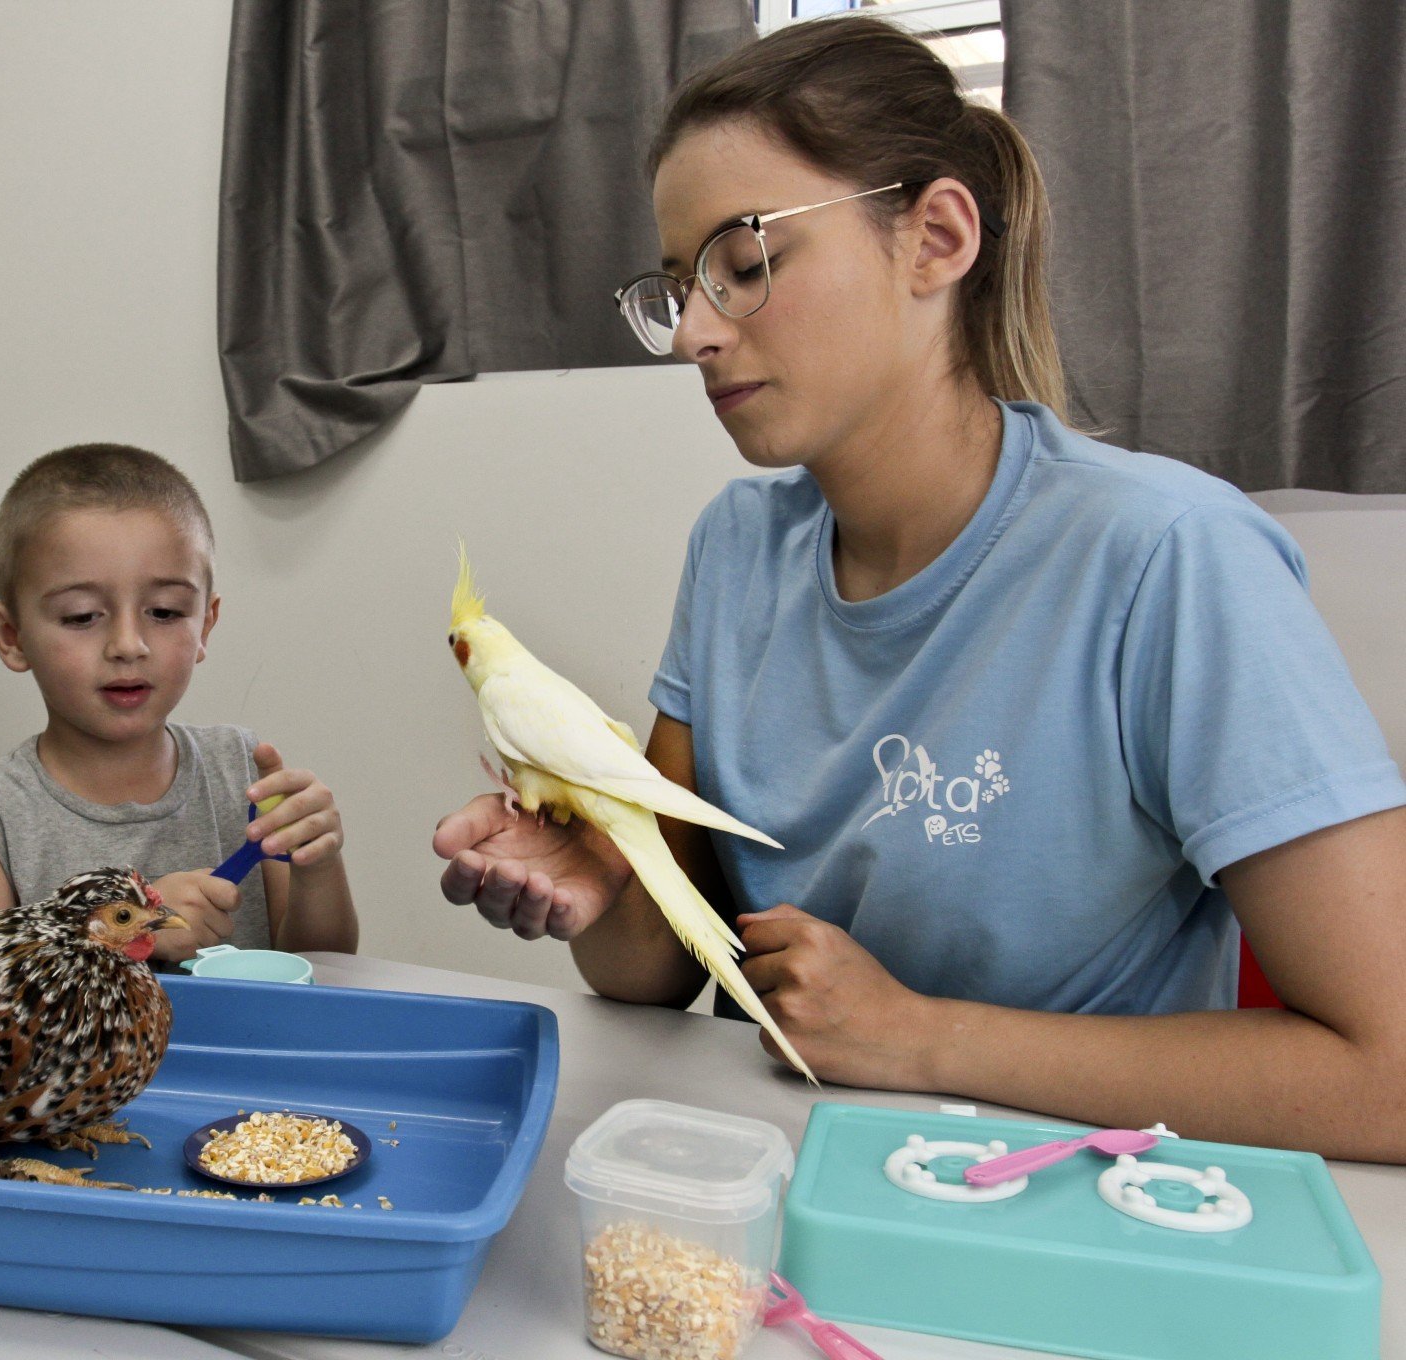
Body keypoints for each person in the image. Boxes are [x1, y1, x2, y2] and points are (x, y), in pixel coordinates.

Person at [434, 16, 1406, 1160]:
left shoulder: (1172, 559)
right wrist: (602, 869)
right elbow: (650, 971)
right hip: (797, 1179)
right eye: (676, 287)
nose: (694, 332)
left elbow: (1385, 1076)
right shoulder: (739, 548)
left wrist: (919, 1037)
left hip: (1078, 1217)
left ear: (935, 239)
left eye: (743, 266)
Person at [0, 442, 358, 966]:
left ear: (205, 624)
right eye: (83, 616)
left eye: (164, 610)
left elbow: (327, 968)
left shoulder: (239, 771)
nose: (128, 644)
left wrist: (319, 867)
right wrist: (125, 936)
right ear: (11, 635)